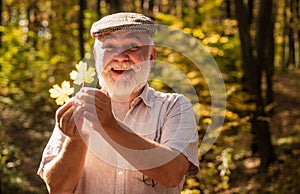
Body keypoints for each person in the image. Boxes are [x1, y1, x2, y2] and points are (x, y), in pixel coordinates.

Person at [38, 12, 199, 194]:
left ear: (151, 56)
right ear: (96, 56)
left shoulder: (174, 106)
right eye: (110, 46)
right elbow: (57, 189)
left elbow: (173, 173)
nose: (121, 57)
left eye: (133, 46)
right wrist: (75, 140)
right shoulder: (77, 109)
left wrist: (110, 125)